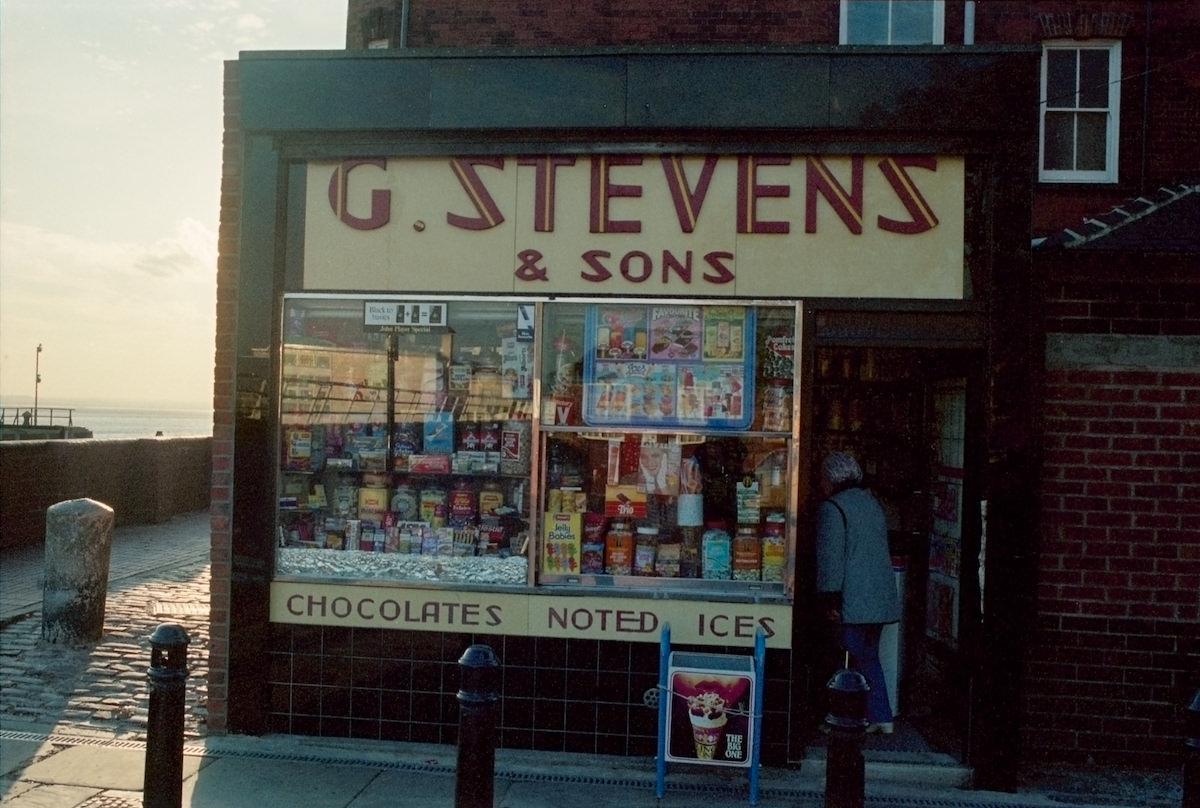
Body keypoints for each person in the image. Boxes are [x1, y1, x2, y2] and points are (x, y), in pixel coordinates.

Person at [815, 451, 901, 734]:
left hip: (852, 599)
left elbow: (830, 560)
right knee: (869, 655)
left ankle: (860, 716)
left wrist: (829, 598)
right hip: (879, 597)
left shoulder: (833, 508)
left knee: (851, 656)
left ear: (829, 478)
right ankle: (878, 715)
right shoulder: (871, 503)